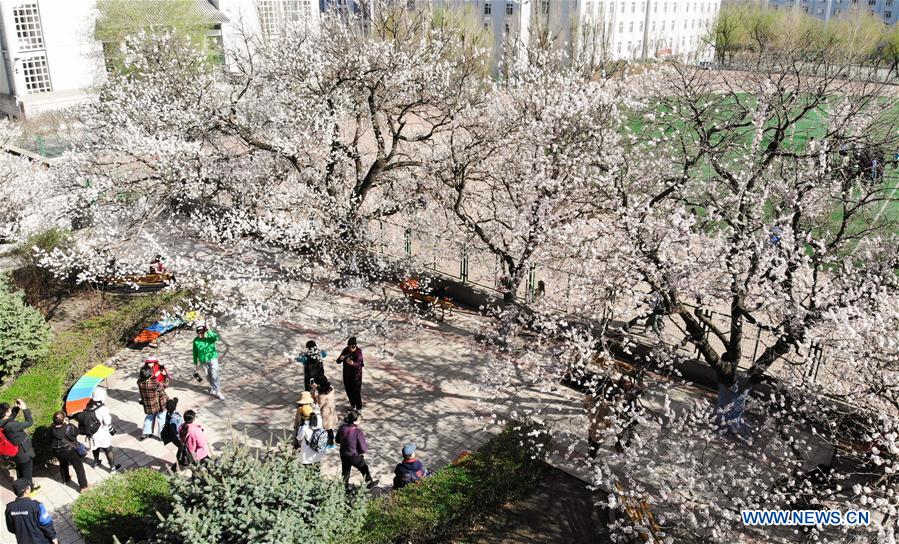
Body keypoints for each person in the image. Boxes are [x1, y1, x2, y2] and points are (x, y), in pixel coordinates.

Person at [77, 388, 120, 472]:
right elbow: (107, 422)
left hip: (91, 434)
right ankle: (112, 468)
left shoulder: (88, 404)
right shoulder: (103, 408)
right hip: (102, 433)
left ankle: (96, 463)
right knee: (108, 450)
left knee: (95, 448)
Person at [4, 479, 57, 544]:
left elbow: (11, 528)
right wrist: (53, 537)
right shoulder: (36, 506)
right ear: (27, 490)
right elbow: (46, 523)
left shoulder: (9, 508)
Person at [0, 400, 38, 491]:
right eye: (9, 409)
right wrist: (25, 409)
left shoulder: (2, 422)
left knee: (20, 469)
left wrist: (16, 408)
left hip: (14, 451)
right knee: (27, 472)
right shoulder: (12, 426)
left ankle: (19, 487)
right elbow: (29, 422)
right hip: (23, 452)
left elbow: (9, 418)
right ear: (6, 412)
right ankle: (29, 489)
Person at [49, 411, 88, 491]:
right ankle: (83, 487)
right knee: (79, 467)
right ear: (64, 420)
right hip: (70, 450)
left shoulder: (51, 428)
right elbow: (77, 432)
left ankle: (65, 479)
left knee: (63, 464)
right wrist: (67, 423)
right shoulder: (69, 427)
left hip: (57, 451)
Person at [336, 411, 375, 489]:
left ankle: (344, 488)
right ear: (354, 421)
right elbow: (363, 449)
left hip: (343, 454)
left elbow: (337, 440)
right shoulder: (358, 432)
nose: (360, 421)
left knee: (346, 471)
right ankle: (370, 484)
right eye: (359, 419)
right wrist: (358, 453)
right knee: (364, 469)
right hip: (354, 456)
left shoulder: (342, 427)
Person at [293, 392, 326, 465]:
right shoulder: (318, 417)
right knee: (317, 466)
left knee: (307, 466)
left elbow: (299, 437)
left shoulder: (304, 427)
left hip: (308, 452)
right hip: (318, 449)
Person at [193, 325, 224, 400]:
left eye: (202, 333)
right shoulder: (196, 340)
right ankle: (213, 387)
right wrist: (195, 362)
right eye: (199, 333)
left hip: (212, 359)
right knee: (208, 376)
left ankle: (218, 391)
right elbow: (195, 351)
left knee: (214, 375)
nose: (200, 334)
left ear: (205, 332)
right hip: (203, 361)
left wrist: (209, 331)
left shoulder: (210, 338)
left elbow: (216, 338)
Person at [137, 365, 168, 441]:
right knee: (161, 419)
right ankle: (162, 436)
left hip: (149, 405)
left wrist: (154, 376)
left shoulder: (139, 382)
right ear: (150, 375)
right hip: (159, 404)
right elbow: (165, 385)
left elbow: (148, 382)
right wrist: (165, 376)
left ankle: (146, 433)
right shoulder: (154, 383)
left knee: (149, 418)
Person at [337, 337, 364, 411]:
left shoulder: (358, 352)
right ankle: (353, 405)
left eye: (353, 347)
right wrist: (340, 358)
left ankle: (359, 408)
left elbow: (360, 364)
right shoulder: (346, 350)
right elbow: (338, 361)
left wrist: (352, 363)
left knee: (356, 392)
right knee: (348, 390)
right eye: (349, 347)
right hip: (346, 374)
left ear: (355, 345)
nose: (351, 348)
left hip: (356, 375)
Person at [311, 377, 338, 448]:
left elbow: (318, 404)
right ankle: (330, 440)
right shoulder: (331, 388)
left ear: (319, 385)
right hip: (332, 411)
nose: (314, 384)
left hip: (326, 415)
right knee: (330, 428)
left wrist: (313, 390)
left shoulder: (321, 396)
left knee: (328, 429)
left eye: (316, 383)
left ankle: (331, 443)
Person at [160, 398, 184, 470]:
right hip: (177, 438)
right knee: (182, 450)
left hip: (176, 437)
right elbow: (175, 432)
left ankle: (179, 463)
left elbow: (173, 404)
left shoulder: (169, 413)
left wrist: (175, 400)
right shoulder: (173, 420)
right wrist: (180, 439)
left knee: (183, 450)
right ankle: (175, 467)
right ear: (174, 408)